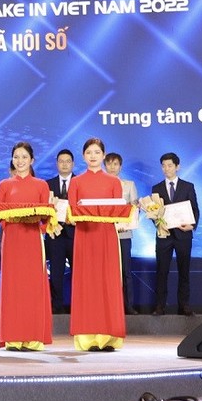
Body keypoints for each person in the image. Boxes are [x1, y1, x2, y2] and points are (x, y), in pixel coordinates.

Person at [68, 138, 126, 351]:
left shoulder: (113, 182)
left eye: (97, 152)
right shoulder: (76, 182)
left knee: (107, 283)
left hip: (107, 237)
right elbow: (72, 213)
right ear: (83, 156)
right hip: (84, 237)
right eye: (89, 152)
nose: (93, 156)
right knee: (87, 283)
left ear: (103, 155)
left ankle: (109, 336)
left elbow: (118, 211)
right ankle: (88, 337)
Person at [0, 142, 52, 351]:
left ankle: (33, 338)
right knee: (13, 286)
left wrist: (35, 220)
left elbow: (47, 216)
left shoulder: (41, 185)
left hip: (33, 240)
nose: (20, 161)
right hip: (12, 240)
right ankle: (13, 338)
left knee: (33, 286)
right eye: (16, 157)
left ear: (32, 160)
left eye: (24, 157)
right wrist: (12, 219)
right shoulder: (4, 185)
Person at [151, 152, 199, 317]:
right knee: (161, 271)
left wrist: (192, 225)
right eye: (163, 166)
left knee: (184, 272)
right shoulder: (156, 188)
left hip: (183, 235)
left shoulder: (188, 186)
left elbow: (195, 209)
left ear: (177, 167)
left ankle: (184, 306)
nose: (166, 169)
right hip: (164, 236)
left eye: (170, 165)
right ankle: (160, 306)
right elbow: (154, 212)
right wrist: (159, 223)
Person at [104, 152, 139, 315]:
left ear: (120, 166)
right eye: (109, 164)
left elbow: (134, 210)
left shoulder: (129, 185)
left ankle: (128, 305)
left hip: (124, 234)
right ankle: (108, 306)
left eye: (115, 164)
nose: (112, 167)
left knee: (126, 271)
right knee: (106, 272)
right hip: (104, 233)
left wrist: (127, 224)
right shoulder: (100, 185)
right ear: (104, 166)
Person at [45, 149, 75, 314]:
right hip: (54, 235)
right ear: (57, 163)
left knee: (78, 272)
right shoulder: (47, 184)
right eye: (61, 161)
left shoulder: (79, 182)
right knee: (56, 271)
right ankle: (57, 305)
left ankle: (78, 305)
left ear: (73, 164)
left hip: (75, 234)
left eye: (67, 161)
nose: (64, 164)